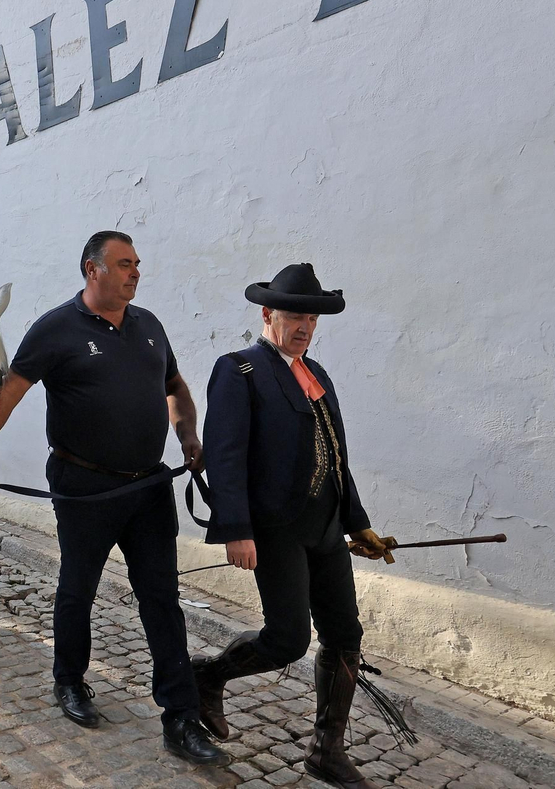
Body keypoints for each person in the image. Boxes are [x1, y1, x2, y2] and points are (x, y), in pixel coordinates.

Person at [0, 230, 227, 766]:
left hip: (150, 486)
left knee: (161, 599)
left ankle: (179, 717)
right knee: (77, 588)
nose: (135, 273)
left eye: (137, 265)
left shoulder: (149, 326)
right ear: (92, 269)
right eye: (124, 264)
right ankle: (70, 681)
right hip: (84, 486)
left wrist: (189, 435)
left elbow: (175, 388)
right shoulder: (55, 329)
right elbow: (9, 393)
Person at [193, 264, 391, 789]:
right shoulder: (238, 370)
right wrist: (235, 527)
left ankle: (327, 750)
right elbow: (225, 456)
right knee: (287, 640)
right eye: (294, 316)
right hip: (276, 530)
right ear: (267, 314)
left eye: (311, 317)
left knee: (345, 634)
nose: (304, 326)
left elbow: (336, 457)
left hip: (325, 529)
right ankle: (208, 675)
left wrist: (359, 525)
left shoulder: (317, 374)